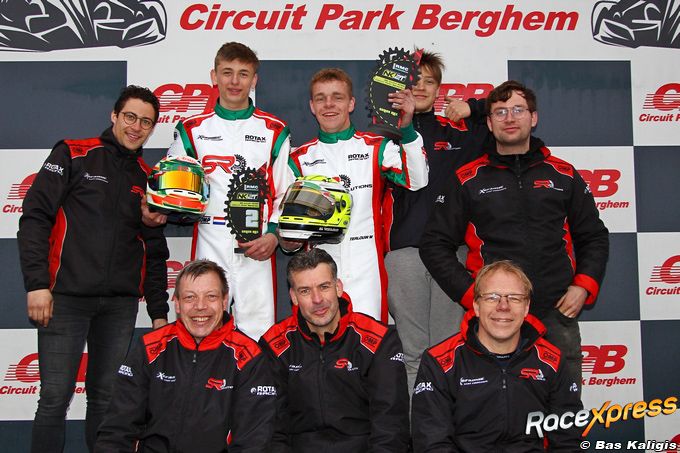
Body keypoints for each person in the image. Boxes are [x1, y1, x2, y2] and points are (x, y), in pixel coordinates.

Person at [419, 80, 609, 388]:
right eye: (500, 112)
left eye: (518, 110)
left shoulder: (563, 174)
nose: (509, 118)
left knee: (562, 411)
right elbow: (434, 244)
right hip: (495, 313)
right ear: (489, 122)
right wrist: (472, 295)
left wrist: (583, 285)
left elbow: (593, 236)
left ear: (533, 118)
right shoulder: (468, 178)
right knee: (492, 406)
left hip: (556, 310)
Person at [17, 85, 169, 453]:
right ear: (114, 115)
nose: (136, 127)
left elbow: (153, 251)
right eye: (130, 117)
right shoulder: (73, 153)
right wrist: (37, 284)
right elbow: (35, 218)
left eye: (146, 122)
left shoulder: (148, 178)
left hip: (118, 306)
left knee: (106, 399)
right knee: (54, 399)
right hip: (64, 300)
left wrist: (159, 313)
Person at [164, 42, 293, 341]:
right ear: (214, 76)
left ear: (254, 80)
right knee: (201, 326)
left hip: (257, 246)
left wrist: (273, 234)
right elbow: (171, 189)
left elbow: (286, 193)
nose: (235, 81)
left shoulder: (274, 130)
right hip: (210, 240)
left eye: (243, 74)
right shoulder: (191, 129)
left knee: (259, 335)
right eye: (227, 72)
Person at [382, 50, 489, 393]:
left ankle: (445, 426)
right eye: (414, 81)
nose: (421, 87)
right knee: (413, 353)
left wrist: (474, 108)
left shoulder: (458, 133)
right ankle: (418, 426)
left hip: (451, 256)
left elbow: (509, 113)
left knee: (448, 350)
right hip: (405, 255)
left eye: (429, 81)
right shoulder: (383, 137)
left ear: (439, 89)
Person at [286, 68, 428, 323]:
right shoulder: (298, 159)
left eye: (337, 97)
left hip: (367, 268)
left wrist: (407, 129)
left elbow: (417, 180)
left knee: (369, 339)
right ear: (312, 106)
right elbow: (288, 235)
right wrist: (289, 240)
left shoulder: (376, 147)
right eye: (321, 98)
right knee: (321, 341)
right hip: (318, 270)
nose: (329, 104)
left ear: (351, 103)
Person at [95, 259, 277, 452]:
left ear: (224, 301)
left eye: (211, 297)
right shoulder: (150, 347)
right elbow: (116, 430)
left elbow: (254, 442)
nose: (200, 306)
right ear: (177, 304)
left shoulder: (248, 356)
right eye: (190, 297)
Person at [411, 261, 583, 452]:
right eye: (492, 297)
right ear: (476, 306)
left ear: (526, 307)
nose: (503, 306)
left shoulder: (551, 361)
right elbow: (432, 443)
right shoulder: (440, 362)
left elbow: (568, 441)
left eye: (515, 298)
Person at [260, 248, 410, 452]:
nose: (317, 299)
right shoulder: (274, 344)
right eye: (305, 291)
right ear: (293, 297)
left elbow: (391, 425)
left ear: (338, 288)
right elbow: (270, 427)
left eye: (324, 287)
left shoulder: (379, 340)